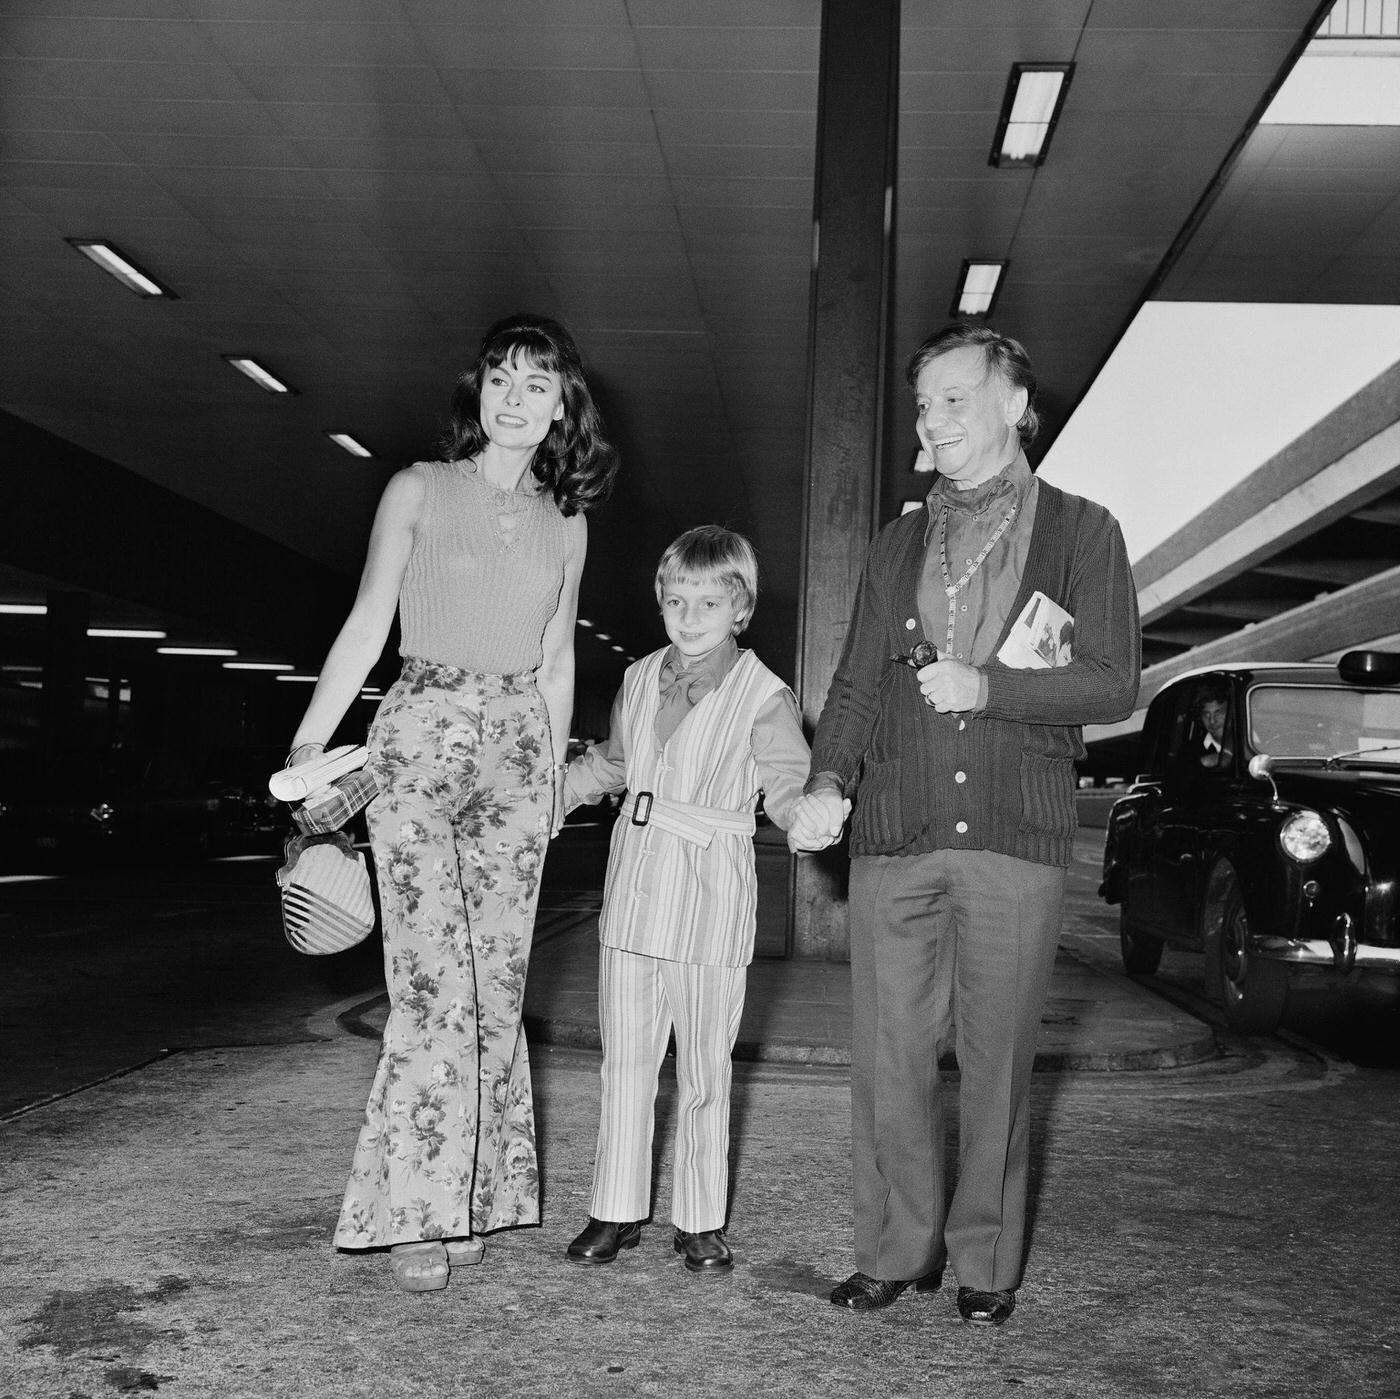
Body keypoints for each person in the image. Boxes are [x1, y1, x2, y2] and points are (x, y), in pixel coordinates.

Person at [788, 322, 1140, 1327]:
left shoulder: (1082, 531)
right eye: (922, 403)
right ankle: (894, 1250)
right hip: (894, 833)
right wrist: (825, 778)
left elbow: (1110, 678)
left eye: (951, 398)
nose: (930, 419)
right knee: (887, 1057)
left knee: (995, 1065)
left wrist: (986, 686)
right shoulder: (896, 539)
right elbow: (855, 681)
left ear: (1014, 406)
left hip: (1012, 833)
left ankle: (985, 1261)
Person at [285, 313, 617, 1293]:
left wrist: (555, 779)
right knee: (432, 987)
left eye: (537, 384)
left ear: (563, 407)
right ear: (477, 391)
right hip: (420, 735)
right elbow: (365, 621)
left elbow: (556, 661)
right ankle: (413, 1214)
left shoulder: (570, 520)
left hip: (519, 750)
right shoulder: (417, 488)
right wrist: (310, 740)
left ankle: (472, 1194)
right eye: (502, 379)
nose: (515, 397)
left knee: (494, 989)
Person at [560, 526, 811, 1277]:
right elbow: (613, 763)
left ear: (741, 607)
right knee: (626, 1060)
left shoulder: (765, 694)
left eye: (709, 600)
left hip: (709, 897)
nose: (690, 614)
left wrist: (807, 814)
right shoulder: (638, 678)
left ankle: (699, 1220)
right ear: (660, 601)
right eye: (677, 599)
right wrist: (553, 795)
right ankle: (614, 1206)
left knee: (705, 1066)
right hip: (634, 896)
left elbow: (787, 780)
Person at [1197, 685, 1233, 768]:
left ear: (1231, 713)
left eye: (1218, 713)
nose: (1212, 721)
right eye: (1206, 714)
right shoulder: (1190, 751)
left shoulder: (1258, 741)